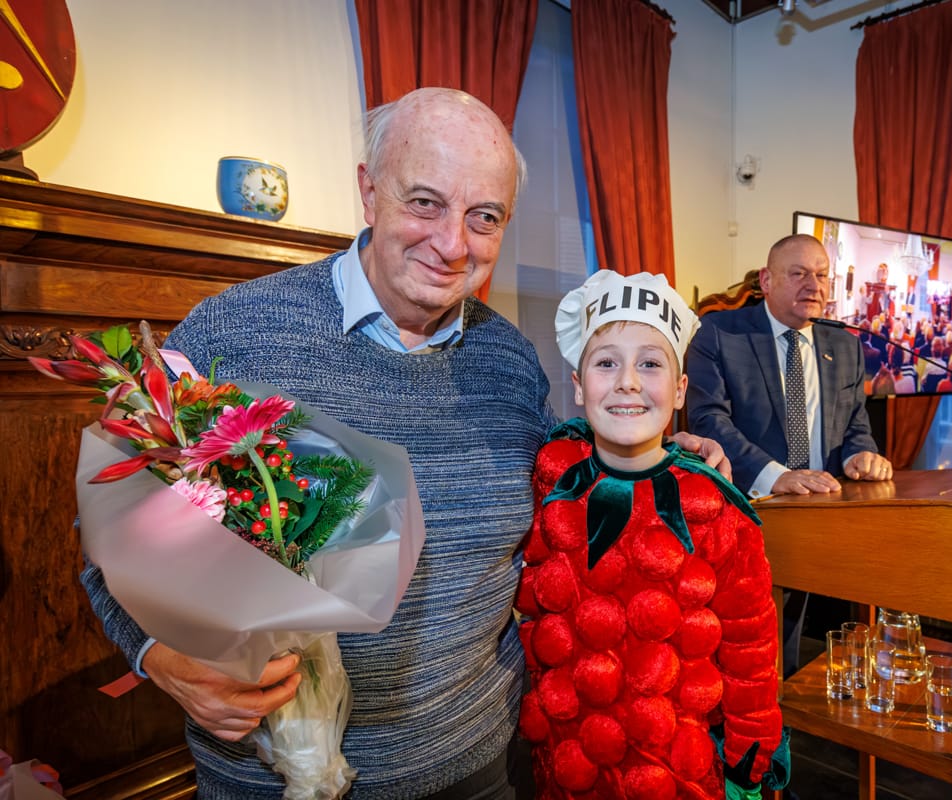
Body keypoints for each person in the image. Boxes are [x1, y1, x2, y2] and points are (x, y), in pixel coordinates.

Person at [79, 88, 725, 800]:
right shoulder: (232, 333)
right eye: (425, 202)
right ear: (368, 191)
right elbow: (108, 531)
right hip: (271, 782)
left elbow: (568, 490)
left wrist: (663, 455)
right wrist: (158, 657)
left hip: (477, 766)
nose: (454, 244)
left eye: (485, 218)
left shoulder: (510, 362)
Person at [517, 270, 788, 799]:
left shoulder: (718, 509)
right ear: (577, 385)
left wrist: (749, 765)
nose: (629, 382)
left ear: (681, 388)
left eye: (650, 363)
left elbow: (750, 649)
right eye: (606, 363)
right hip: (564, 767)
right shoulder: (551, 480)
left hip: (681, 774)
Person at [685, 233, 893, 498]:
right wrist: (774, 476)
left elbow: (855, 424)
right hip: (750, 502)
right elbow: (709, 422)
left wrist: (860, 454)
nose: (813, 286)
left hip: (829, 500)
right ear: (766, 280)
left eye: (821, 276)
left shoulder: (845, 345)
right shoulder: (718, 334)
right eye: (799, 274)